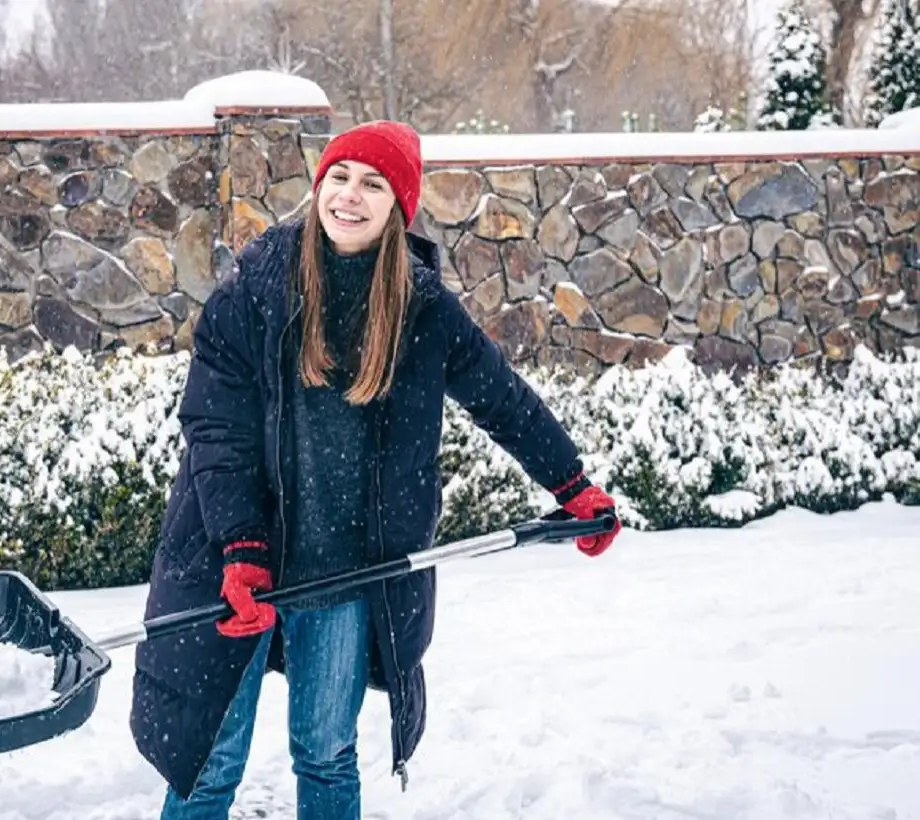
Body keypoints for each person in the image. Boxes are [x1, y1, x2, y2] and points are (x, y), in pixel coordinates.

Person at [129, 120, 622, 820]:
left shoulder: (421, 308)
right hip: (234, 564)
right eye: (339, 177)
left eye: (373, 183)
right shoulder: (257, 285)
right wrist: (241, 547)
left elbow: (500, 398)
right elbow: (216, 425)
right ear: (318, 184)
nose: (349, 197)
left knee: (326, 755)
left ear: (399, 205)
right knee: (208, 764)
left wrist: (570, 485)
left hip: (342, 573)